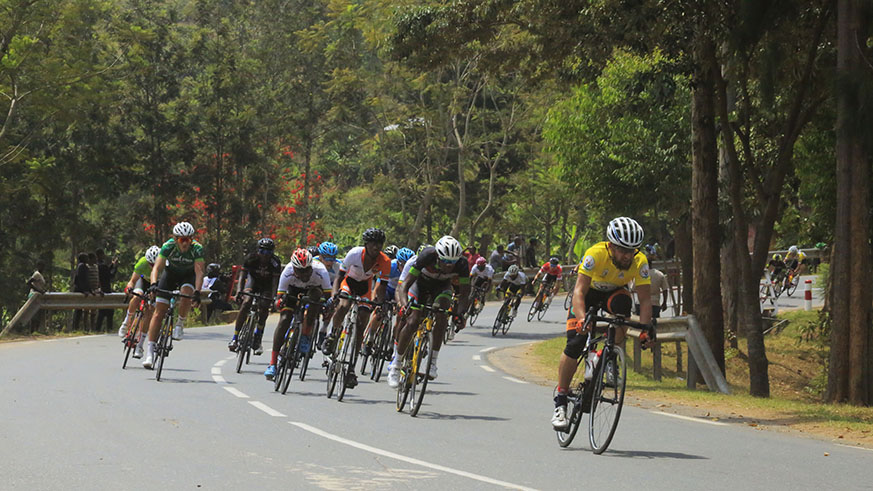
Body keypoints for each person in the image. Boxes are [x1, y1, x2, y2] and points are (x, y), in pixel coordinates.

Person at [552, 217, 653, 430]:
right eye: (622, 250)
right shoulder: (594, 254)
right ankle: (560, 401)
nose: (627, 255)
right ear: (611, 246)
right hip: (588, 294)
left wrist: (646, 329)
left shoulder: (640, 261)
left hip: (614, 294)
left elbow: (644, 299)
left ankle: (606, 356)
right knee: (575, 343)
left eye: (631, 251)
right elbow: (579, 291)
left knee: (624, 305)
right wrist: (581, 320)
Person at [388, 236, 469, 387]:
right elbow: (404, 285)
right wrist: (405, 305)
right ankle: (396, 365)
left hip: (441, 287)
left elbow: (464, 294)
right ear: (437, 256)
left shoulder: (462, 264)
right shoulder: (426, 256)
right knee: (413, 321)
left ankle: (432, 362)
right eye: (445, 261)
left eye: (452, 262)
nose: (449, 266)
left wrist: (461, 313)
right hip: (419, 286)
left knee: (443, 312)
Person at [325, 228, 392, 390]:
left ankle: (351, 369)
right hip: (348, 283)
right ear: (366, 244)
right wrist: (335, 294)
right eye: (373, 243)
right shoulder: (354, 253)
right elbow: (340, 276)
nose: (376, 247)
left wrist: (380, 302)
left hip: (365, 287)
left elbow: (382, 286)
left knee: (362, 322)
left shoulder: (385, 261)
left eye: (379, 244)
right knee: (344, 305)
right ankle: (333, 334)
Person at [142, 221, 205, 369]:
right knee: (158, 312)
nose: (185, 243)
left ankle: (180, 324)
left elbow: (199, 272)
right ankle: (150, 353)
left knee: (186, 293)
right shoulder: (168, 246)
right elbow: (156, 268)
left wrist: (197, 291)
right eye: (182, 240)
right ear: (176, 239)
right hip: (170, 275)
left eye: (188, 239)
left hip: (187, 276)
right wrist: (153, 285)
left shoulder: (197, 249)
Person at [264, 248, 332, 380]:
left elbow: (328, 296)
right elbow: (279, 297)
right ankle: (273, 363)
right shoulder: (288, 272)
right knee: (284, 319)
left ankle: (306, 335)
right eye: (299, 271)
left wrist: (326, 308)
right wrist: (278, 303)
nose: (304, 274)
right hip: (292, 291)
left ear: (311, 266)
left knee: (315, 299)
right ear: (294, 268)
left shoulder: (321, 271)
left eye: (307, 270)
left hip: (313, 290)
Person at [228, 238, 283, 354]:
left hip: (267, 286)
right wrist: (239, 292)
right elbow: (243, 276)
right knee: (246, 303)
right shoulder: (251, 258)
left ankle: (258, 336)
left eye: (268, 253)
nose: (265, 255)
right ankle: (235, 338)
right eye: (262, 252)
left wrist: (274, 299)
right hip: (253, 282)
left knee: (264, 306)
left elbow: (275, 283)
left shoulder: (275, 263)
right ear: (258, 251)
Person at [362, 247, 414, 357]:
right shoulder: (391, 266)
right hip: (387, 289)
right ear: (398, 262)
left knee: (401, 318)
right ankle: (370, 339)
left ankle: (392, 343)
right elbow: (379, 284)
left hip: (400, 293)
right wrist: (374, 299)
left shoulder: (412, 269)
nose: (404, 267)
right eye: (402, 264)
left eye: (406, 264)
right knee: (379, 312)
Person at [117, 246, 161, 360]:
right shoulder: (142, 263)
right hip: (143, 282)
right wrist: (129, 288)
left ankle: (140, 345)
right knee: (137, 297)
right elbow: (132, 281)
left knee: (150, 310)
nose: (152, 267)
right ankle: (126, 321)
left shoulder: (163, 266)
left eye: (154, 264)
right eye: (150, 264)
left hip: (156, 285)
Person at [313, 241, 341, 348]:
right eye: (326, 258)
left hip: (331, 287)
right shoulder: (313, 262)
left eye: (332, 258)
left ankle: (323, 330)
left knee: (332, 306)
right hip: (316, 285)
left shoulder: (338, 266)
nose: (329, 262)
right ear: (320, 256)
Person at [95, 249, 118, 332]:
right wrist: (115, 267)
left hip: (99, 289)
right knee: (109, 310)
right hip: (106, 289)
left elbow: (106, 271)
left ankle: (98, 329)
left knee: (101, 311)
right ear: (100, 255)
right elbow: (110, 275)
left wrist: (112, 265)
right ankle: (109, 328)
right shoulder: (102, 266)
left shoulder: (96, 265)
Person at [71, 253, 96, 332]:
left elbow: (86, 280)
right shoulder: (82, 266)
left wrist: (90, 290)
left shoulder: (83, 266)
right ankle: (75, 327)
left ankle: (76, 327)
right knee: (78, 310)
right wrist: (84, 290)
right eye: (86, 258)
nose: (88, 259)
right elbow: (81, 280)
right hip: (80, 290)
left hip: (81, 290)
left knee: (79, 310)